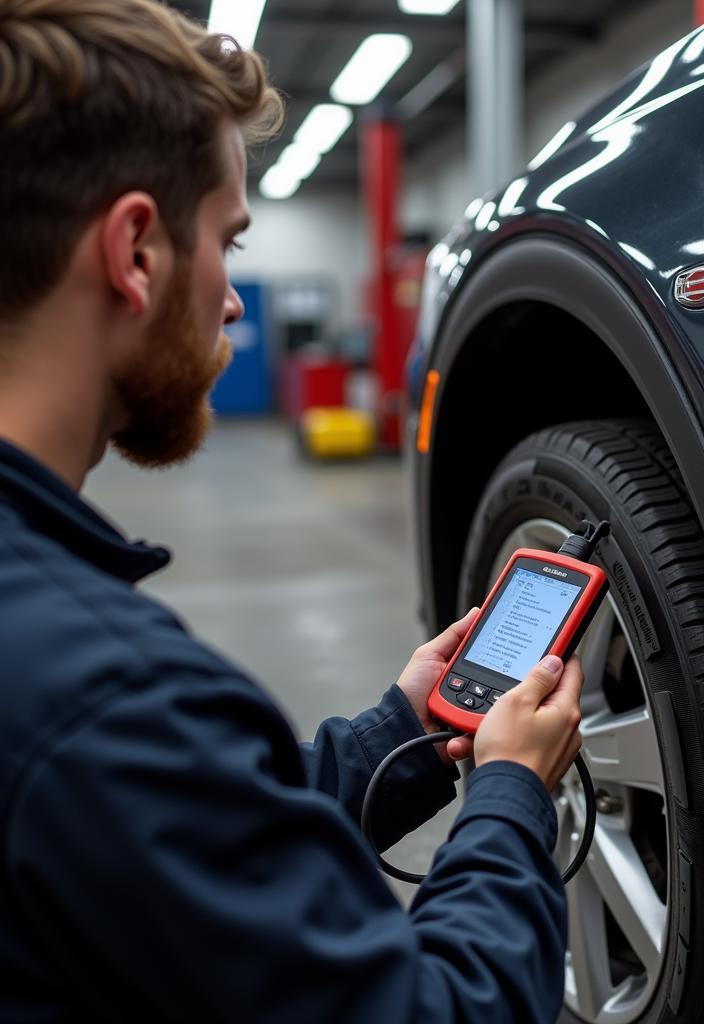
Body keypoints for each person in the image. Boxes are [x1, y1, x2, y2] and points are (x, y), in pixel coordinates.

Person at [0, 1, 584, 1020]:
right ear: (136, 252)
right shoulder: (103, 691)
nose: (233, 300)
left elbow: (190, 840)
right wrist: (511, 793)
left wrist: (398, 730)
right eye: (228, 240)